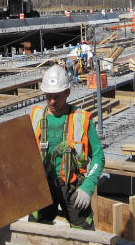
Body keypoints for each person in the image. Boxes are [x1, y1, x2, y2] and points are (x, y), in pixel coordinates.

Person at [28, 65, 105, 230]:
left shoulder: (81, 119)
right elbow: (22, 152)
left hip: (73, 186)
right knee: (36, 231)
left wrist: (88, 187)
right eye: (48, 96)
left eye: (57, 96)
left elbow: (98, 155)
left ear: (68, 92)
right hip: (43, 185)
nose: (52, 102)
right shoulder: (35, 117)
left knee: (84, 231)